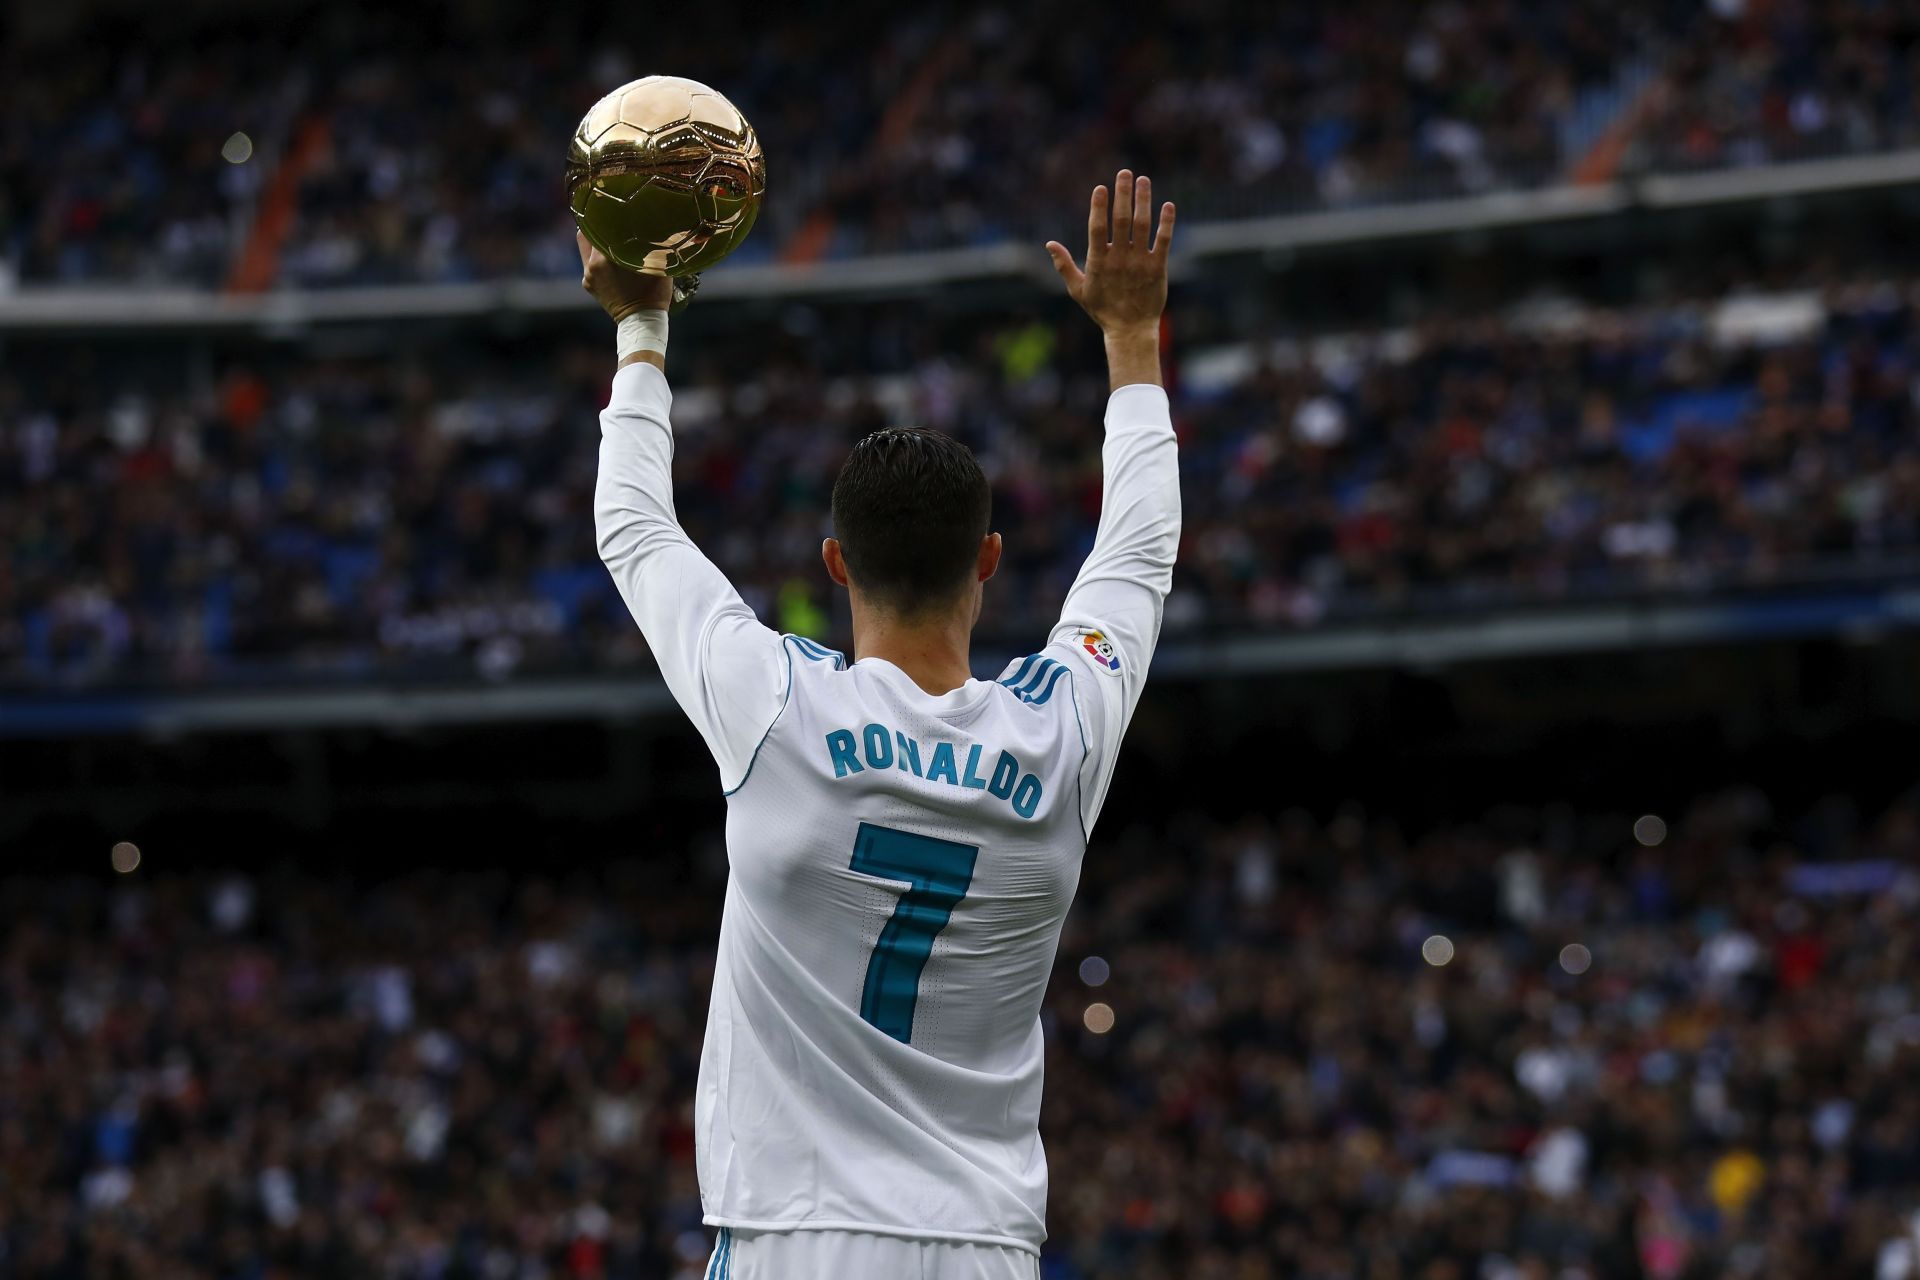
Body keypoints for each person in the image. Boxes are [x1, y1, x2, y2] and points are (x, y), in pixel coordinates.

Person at [579, 170, 1179, 1279]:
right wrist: (1133, 341)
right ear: (989, 563)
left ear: (836, 564)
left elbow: (633, 526)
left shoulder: (776, 704)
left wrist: (642, 327)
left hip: (795, 1235)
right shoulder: (1062, 732)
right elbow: (1138, 556)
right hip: (984, 1243)